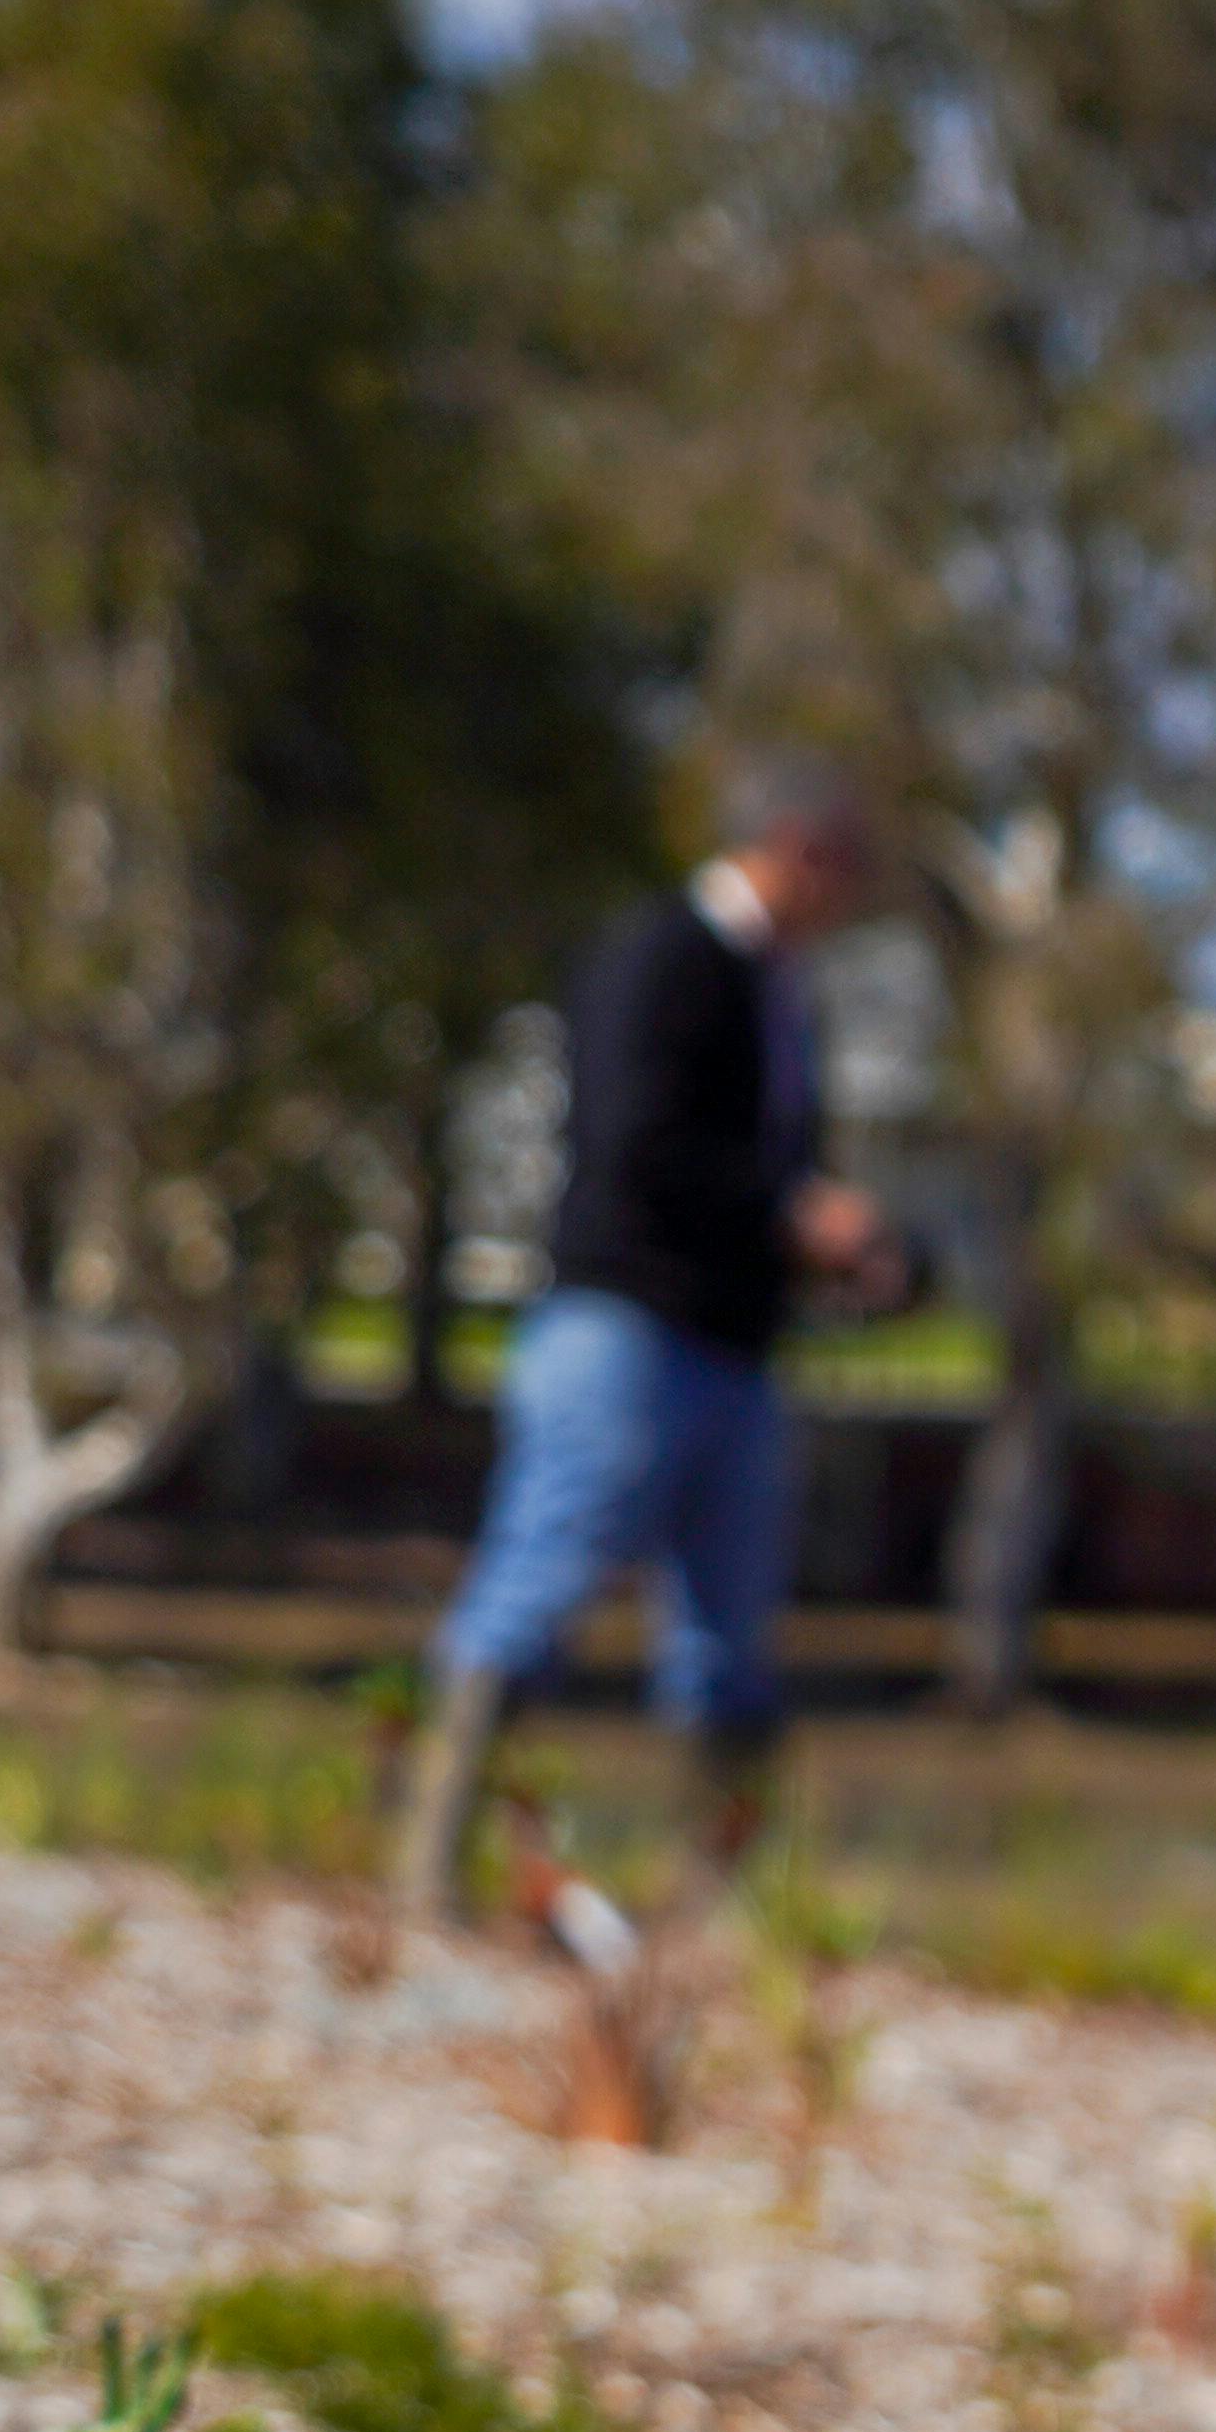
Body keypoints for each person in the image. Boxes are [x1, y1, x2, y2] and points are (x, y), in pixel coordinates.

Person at [395, 766, 887, 1917]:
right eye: (847, 870)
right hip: (620, 1328)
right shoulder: (661, 955)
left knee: (728, 1635)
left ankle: (707, 1911)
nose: (850, 901)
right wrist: (786, 1211)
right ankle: (429, 1869)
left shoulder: (786, 996)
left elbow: (775, 1166)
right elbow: (636, 1142)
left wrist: (852, 1249)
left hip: (735, 1349)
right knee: (542, 1577)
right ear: (793, 846)